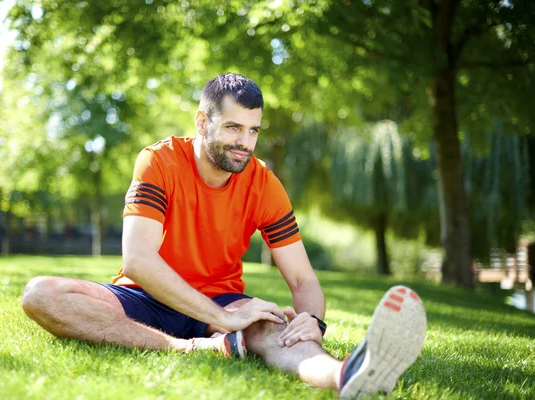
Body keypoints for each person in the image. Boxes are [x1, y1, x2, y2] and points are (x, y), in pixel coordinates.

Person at [21, 73, 427, 398]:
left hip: (223, 297)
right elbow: (139, 261)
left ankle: (347, 374)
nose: (244, 142)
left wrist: (313, 321)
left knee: (272, 327)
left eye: (253, 130)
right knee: (41, 294)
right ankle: (187, 347)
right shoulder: (158, 161)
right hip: (148, 294)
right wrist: (222, 321)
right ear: (203, 121)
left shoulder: (264, 182)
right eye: (233, 127)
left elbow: (303, 279)